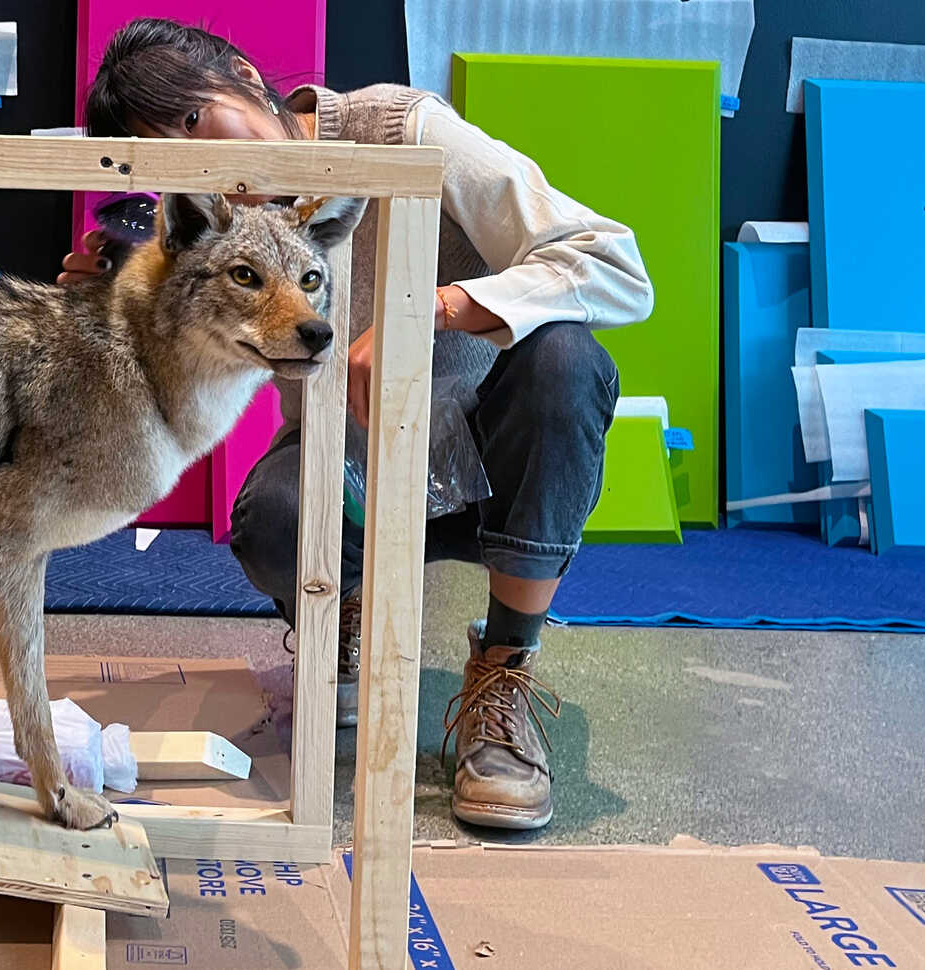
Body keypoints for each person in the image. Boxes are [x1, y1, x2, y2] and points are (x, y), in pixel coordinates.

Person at [61, 19, 654, 830]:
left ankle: (505, 668)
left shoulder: (401, 130)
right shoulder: (203, 224)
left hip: (485, 457)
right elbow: (180, 370)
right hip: (344, 462)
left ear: (241, 72)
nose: (216, 174)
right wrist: (106, 310)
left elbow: (616, 264)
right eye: (174, 157)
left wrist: (433, 311)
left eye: (197, 122)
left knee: (568, 363)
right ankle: (336, 609)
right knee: (271, 521)